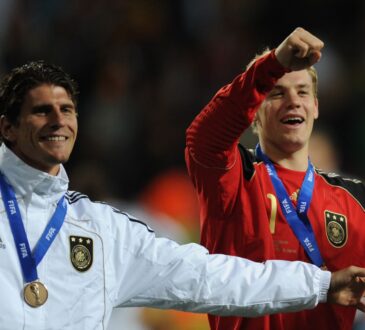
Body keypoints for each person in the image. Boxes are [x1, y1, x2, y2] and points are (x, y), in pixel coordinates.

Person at [0, 62, 364, 330]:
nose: (58, 121)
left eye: (66, 110)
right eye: (41, 110)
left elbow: (210, 277)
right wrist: (269, 67)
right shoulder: (241, 179)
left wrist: (322, 284)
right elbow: (206, 140)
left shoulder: (104, 232)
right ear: (8, 127)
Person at [185, 27, 365, 330]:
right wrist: (273, 64)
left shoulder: (354, 199)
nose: (293, 101)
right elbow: (202, 138)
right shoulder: (234, 178)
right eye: (277, 93)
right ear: (254, 112)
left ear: (316, 107)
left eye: (303, 92)